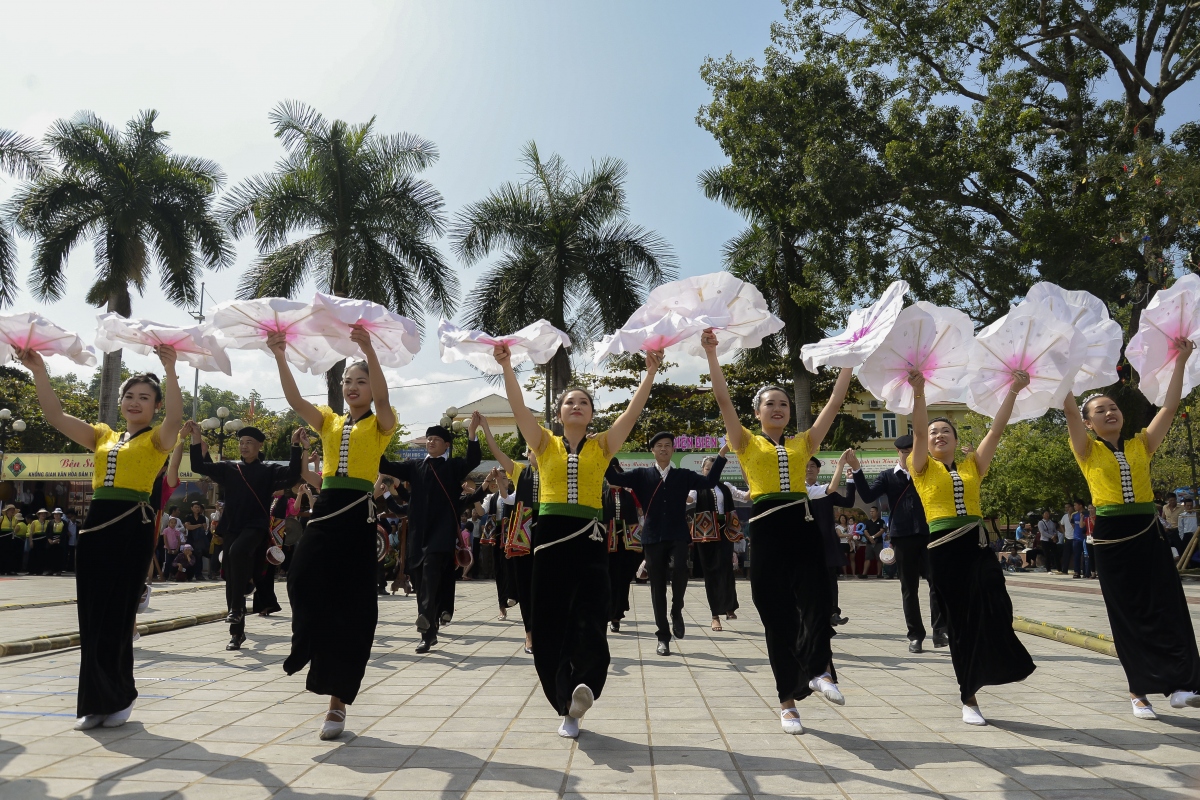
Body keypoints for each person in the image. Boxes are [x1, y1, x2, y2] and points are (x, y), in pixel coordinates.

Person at [494, 341, 662, 739]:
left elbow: (632, 413)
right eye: (569, 402)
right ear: (559, 413)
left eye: (583, 402)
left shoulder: (603, 445)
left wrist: (650, 373)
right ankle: (565, 703)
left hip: (590, 540)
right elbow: (519, 410)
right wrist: (507, 368)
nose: (576, 406)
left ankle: (585, 685)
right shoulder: (543, 443)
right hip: (549, 542)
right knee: (549, 626)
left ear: (591, 414)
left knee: (590, 619)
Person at [18, 343, 182, 730]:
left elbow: (176, 417)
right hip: (96, 526)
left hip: (132, 526)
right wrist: (39, 370)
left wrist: (170, 369)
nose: (135, 402)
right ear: (120, 401)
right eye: (129, 396)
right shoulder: (103, 436)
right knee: (91, 616)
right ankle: (94, 701)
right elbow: (55, 415)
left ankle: (121, 697)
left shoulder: (158, 439)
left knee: (119, 615)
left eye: (145, 398)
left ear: (155, 405)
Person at [705, 328, 854, 735]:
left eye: (784, 404)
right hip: (768, 532)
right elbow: (722, 400)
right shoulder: (745, 441)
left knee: (819, 602)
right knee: (777, 617)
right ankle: (787, 703)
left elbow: (836, 403)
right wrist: (712, 353)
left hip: (802, 529)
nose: (778, 408)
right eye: (770, 403)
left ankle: (822, 671)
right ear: (758, 412)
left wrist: (849, 363)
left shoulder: (805, 441)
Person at [269, 325, 396, 741]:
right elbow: (293, 399)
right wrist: (280, 354)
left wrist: (367, 350)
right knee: (301, 577)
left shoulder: (381, 424)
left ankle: (337, 703)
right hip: (325, 513)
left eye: (360, 381)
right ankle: (305, 641)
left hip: (358, 516)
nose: (354, 387)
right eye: (348, 381)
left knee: (353, 609)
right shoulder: (327, 421)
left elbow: (382, 397)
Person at [1064, 341, 1200, 720]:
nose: (1109, 412)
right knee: (1127, 612)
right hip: (1111, 536)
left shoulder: (1142, 444)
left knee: (1169, 606)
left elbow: (1170, 407)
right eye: (1100, 410)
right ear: (1089, 423)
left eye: (1113, 407)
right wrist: (1068, 376)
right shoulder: (1086, 450)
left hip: (1147, 530)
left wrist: (1182, 362)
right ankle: (1138, 691)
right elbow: (1070, 411)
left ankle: (1182, 685)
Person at [906, 367, 1035, 726]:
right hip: (944, 551)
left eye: (945, 430)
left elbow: (995, 430)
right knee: (960, 626)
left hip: (976, 546)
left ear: (955, 437)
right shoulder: (920, 467)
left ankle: (999, 658)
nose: (938, 435)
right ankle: (969, 697)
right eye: (934, 432)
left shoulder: (972, 465)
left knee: (997, 597)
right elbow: (916, 430)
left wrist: (1013, 389)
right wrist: (919, 393)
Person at [606, 431, 727, 655]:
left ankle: (677, 608)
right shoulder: (641, 474)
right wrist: (601, 453)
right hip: (652, 537)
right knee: (657, 587)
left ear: (673, 449)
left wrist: (722, 453)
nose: (663, 449)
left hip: (678, 534)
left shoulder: (683, 475)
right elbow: (614, 479)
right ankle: (663, 637)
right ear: (652, 450)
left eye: (668, 445)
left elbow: (709, 481)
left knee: (681, 570)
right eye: (659, 445)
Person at [187, 419, 303, 648]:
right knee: (231, 572)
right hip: (232, 527)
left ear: (259, 445)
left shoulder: (268, 470)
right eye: (241, 442)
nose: (244, 446)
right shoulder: (229, 468)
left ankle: (238, 607)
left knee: (237, 551)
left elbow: (292, 475)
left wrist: (295, 446)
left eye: (249, 442)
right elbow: (198, 466)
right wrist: (196, 437)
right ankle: (236, 632)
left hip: (256, 527)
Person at [379, 413, 482, 653]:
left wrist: (472, 434)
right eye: (428, 438)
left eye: (436, 439)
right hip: (418, 533)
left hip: (442, 533)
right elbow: (385, 465)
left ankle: (426, 621)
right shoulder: (415, 466)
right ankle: (429, 632)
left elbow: (473, 459)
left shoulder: (453, 466)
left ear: (447, 444)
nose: (431, 442)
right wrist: (378, 438)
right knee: (418, 578)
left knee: (431, 574)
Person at [479, 417, 537, 653]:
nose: (537, 454)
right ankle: (529, 634)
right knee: (525, 583)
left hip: (552, 533)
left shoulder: (557, 471)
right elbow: (497, 451)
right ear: (527, 453)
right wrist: (485, 429)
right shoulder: (521, 471)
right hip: (524, 535)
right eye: (533, 450)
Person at [687, 447, 741, 632]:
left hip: (725, 532)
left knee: (726, 568)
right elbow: (688, 500)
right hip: (706, 534)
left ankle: (729, 606)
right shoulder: (697, 487)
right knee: (711, 571)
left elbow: (745, 496)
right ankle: (714, 615)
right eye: (707, 469)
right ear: (702, 471)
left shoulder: (726, 486)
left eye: (713, 468)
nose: (710, 471)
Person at [806, 452, 856, 632]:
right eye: (806, 466)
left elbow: (848, 502)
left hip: (826, 541)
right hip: (805, 542)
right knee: (808, 580)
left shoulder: (828, 490)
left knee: (829, 579)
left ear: (819, 470)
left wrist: (850, 480)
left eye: (813, 466)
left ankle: (833, 612)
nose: (809, 469)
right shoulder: (797, 491)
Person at [604, 467, 643, 635]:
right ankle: (608, 612)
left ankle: (617, 616)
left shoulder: (629, 495)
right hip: (607, 545)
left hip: (627, 544)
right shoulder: (601, 496)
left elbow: (640, 513)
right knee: (608, 579)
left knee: (623, 578)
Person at [0, 505, 26, 575]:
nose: (12, 511)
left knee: (11, 554)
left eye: (13, 510)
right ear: (7, 511)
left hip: (11, 537)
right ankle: (2, 570)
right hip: (2, 537)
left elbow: (15, 528)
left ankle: (9, 569)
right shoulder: (2, 518)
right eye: (10, 510)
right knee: (2, 553)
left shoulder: (15, 519)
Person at [860, 506, 885, 579]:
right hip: (869, 543)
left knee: (879, 558)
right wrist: (870, 538)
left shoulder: (881, 521)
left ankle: (879, 574)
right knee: (867, 558)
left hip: (878, 542)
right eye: (870, 511)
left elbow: (882, 530)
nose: (871, 513)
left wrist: (873, 537)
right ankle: (864, 574)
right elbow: (865, 531)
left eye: (873, 511)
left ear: (877, 512)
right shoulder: (868, 522)